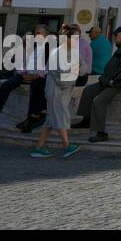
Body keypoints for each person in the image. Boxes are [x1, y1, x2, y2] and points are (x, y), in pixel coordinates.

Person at [72, 25, 121, 142]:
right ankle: (86, 120)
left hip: (118, 83)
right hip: (107, 80)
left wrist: (113, 80)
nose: (115, 38)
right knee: (88, 91)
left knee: (99, 102)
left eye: (117, 35)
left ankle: (101, 132)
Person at [0, 25, 49, 130]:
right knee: (7, 84)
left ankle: (31, 118)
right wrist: (22, 73)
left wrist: (36, 76)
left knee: (36, 89)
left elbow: (49, 66)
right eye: (36, 33)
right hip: (26, 73)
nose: (37, 35)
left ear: (46, 35)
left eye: (40, 33)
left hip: (39, 77)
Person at [30, 25, 82, 159]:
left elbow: (83, 67)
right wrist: (75, 71)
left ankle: (39, 147)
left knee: (51, 119)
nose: (77, 41)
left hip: (62, 90)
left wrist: (77, 70)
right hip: (56, 90)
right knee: (60, 116)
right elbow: (61, 77)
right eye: (75, 38)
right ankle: (66, 146)